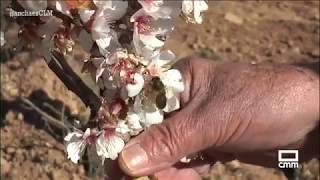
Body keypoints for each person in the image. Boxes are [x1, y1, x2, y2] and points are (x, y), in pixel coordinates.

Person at [118, 56, 319, 180]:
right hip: (300, 152)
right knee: (291, 159)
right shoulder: (297, 148)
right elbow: (294, 153)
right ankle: (297, 166)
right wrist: (307, 149)